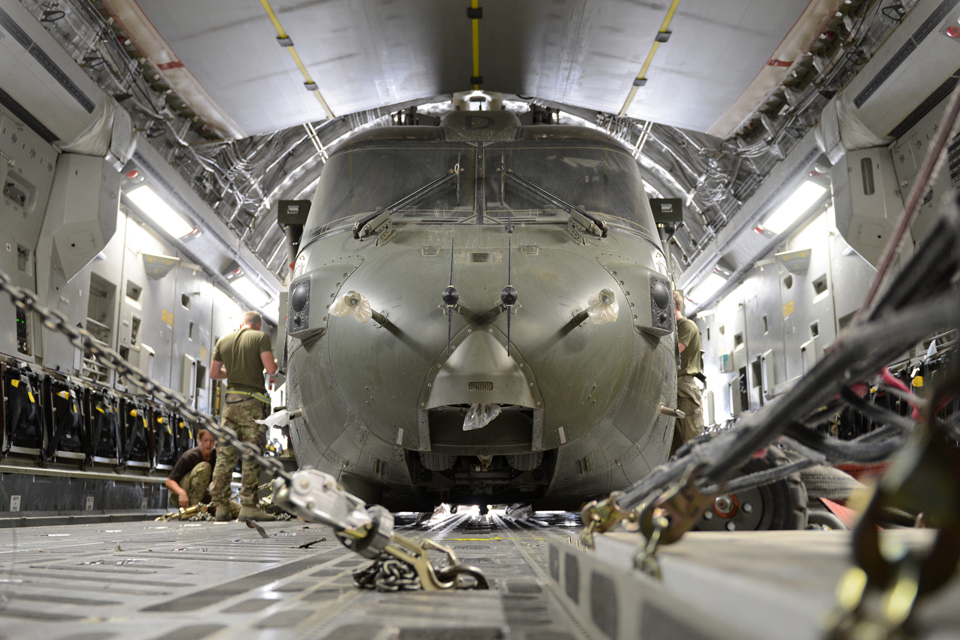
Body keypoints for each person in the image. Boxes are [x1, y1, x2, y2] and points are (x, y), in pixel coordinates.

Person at [209, 311, 279, 521]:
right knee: (251, 454)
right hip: (252, 405)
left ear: (242, 324)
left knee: (225, 455)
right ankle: (248, 506)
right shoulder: (260, 338)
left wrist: (235, 372)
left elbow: (214, 374)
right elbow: (271, 369)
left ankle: (221, 506)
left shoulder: (224, 340)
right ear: (258, 326)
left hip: (230, 405)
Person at [672, 291, 704, 454]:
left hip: (685, 389)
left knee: (691, 442)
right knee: (675, 446)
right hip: (674, 390)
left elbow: (675, 351)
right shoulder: (673, 330)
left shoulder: (686, 326)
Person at [165, 429, 217, 509]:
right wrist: (181, 492)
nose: (208, 444)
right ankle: (193, 509)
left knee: (233, 507)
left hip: (201, 494)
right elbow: (169, 482)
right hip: (182, 496)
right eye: (205, 440)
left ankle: (201, 508)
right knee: (205, 467)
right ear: (200, 440)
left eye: (212, 440)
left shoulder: (216, 458)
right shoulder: (189, 456)